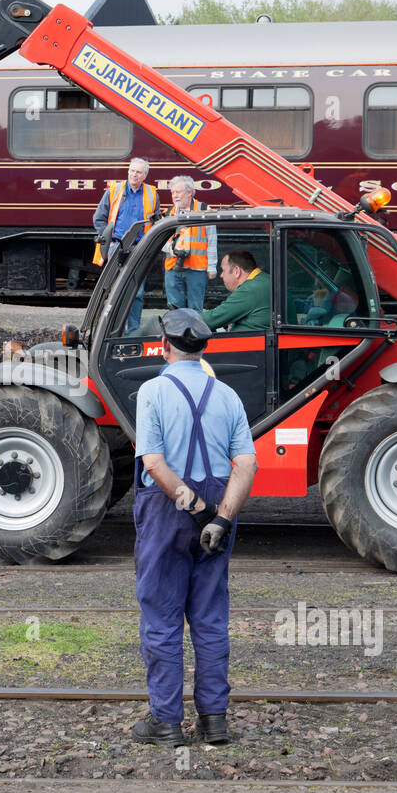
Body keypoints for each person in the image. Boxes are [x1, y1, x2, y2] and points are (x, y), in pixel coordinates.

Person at [131, 309, 257, 747]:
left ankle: (166, 724)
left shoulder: (152, 391)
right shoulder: (228, 396)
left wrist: (196, 507)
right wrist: (221, 517)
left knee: (163, 619)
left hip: (169, 510)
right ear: (203, 347)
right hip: (220, 509)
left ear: (164, 346)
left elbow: (153, 463)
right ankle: (214, 721)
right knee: (209, 617)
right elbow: (247, 463)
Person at [92, 157, 160, 332]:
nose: (134, 175)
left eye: (138, 172)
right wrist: (107, 238)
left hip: (140, 247)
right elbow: (98, 218)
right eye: (131, 171)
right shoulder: (113, 191)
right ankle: (111, 330)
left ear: (145, 175)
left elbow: (157, 221)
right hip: (117, 247)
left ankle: (133, 330)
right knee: (113, 290)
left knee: (136, 292)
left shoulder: (152, 194)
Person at [161, 175, 216, 312]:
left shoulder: (204, 209)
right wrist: (172, 250)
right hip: (173, 268)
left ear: (190, 192)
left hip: (196, 268)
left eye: (178, 192)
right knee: (174, 309)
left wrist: (212, 267)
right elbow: (161, 242)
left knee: (195, 309)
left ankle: (193, 333)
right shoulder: (168, 213)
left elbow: (212, 240)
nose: (174, 196)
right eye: (172, 192)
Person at [202, 250, 271, 332]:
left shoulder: (249, 289)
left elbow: (210, 320)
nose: (221, 275)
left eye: (223, 270)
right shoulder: (264, 280)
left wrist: (185, 316)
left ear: (236, 271)